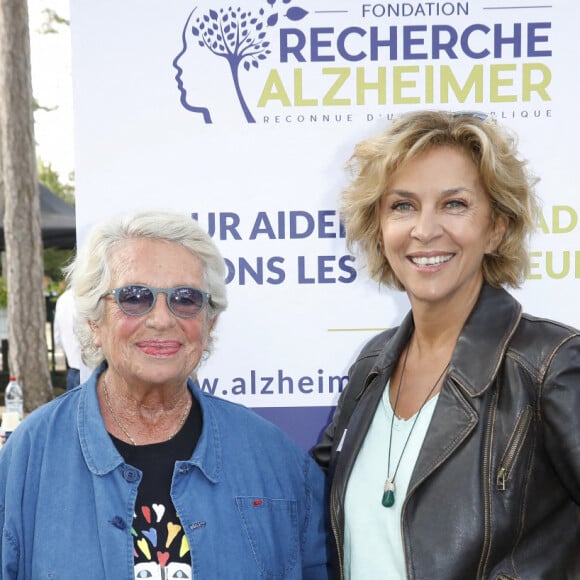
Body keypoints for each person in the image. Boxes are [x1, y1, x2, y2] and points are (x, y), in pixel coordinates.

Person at [313, 110, 580, 579]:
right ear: (378, 227)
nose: (425, 228)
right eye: (402, 205)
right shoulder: (372, 365)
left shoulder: (551, 365)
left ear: (496, 227)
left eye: (454, 204)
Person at [0, 209, 329, 579]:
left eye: (186, 299)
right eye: (135, 297)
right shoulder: (30, 458)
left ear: (209, 322)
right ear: (95, 322)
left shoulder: (275, 460)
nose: (161, 319)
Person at [53, 287, 83, 390]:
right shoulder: (88, 296)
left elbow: (57, 338)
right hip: (90, 371)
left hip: (72, 369)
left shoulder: (63, 299)